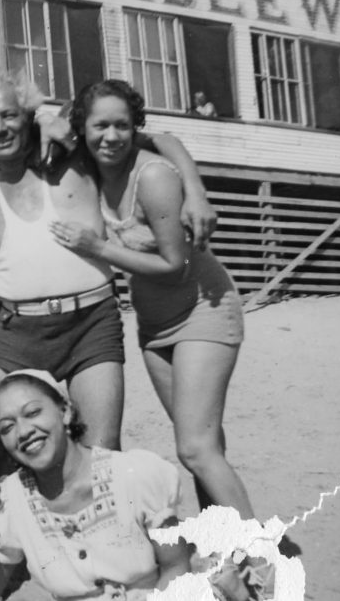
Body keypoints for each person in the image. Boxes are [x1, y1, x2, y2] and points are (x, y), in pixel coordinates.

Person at [50, 80, 283, 559]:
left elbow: (173, 264)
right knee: (204, 442)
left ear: (135, 127)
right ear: (83, 128)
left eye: (122, 125)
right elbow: (163, 136)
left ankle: (263, 559)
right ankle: (224, 545)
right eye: (99, 126)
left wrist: (98, 248)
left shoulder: (152, 176)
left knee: (195, 447)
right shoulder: (94, 160)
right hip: (155, 326)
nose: (111, 136)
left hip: (203, 310)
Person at [0, 71, 217, 453]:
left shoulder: (75, 155)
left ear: (29, 114)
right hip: (19, 335)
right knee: (9, 454)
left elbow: (163, 140)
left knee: (101, 451)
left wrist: (195, 190)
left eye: (10, 115)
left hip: (90, 326)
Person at [0, 369, 190, 600]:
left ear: (66, 411)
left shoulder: (133, 475)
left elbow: (176, 567)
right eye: (7, 427)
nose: (23, 431)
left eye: (33, 412)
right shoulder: (13, 504)